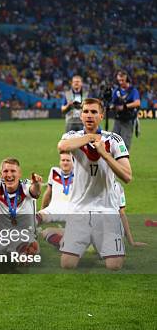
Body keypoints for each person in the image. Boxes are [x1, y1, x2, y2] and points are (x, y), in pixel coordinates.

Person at [57, 98, 132, 270]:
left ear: (101, 116)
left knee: (115, 266)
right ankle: (86, 239)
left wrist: (105, 155)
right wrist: (90, 136)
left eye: (93, 112)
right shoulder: (72, 136)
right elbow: (62, 146)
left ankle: (97, 240)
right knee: (67, 264)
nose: (89, 115)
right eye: (85, 112)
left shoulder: (114, 140)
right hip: (79, 209)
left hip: (107, 209)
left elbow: (127, 176)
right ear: (81, 116)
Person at [38, 152, 74, 223]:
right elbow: (48, 193)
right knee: (36, 216)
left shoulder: (78, 174)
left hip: (71, 211)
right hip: (53, 209)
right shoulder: (54, 171)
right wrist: (42, 209)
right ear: (59, 162)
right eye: (63, 160)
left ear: (73, 162)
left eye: (68, 160)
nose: (65, 163)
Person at [111, 70, 140, 151]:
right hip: (118, 119)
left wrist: (124, 106)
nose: (120, 82)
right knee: (113, 141)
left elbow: (137, 103)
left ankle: (123, 162)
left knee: (125, 144)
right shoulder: (116, 90)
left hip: (128, 120)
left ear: (126, 79)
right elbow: (113, 102)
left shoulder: (133, 90)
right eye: (119, 80)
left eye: (122, 80)